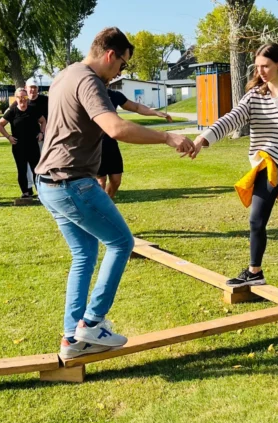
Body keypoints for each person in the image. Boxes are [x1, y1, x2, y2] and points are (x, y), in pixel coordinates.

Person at [36, 27, 196, 359]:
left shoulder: (64, 75)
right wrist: (167, 138)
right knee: (121, 243)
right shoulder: (88, 80)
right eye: (122, 65)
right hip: (71, 182)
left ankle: (72, 338)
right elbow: (115, 127)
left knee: (84, 254)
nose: (120, 73)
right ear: (110, 55)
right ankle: (91, 325)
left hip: (49, 184)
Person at [192, 43, 278, 306]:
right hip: (268, 167)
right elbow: (232, 118)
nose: (261, 71)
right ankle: (254, 273)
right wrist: (203, 139)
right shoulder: (255, 96)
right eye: (257, 67)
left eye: (265, 66)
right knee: (256, 222)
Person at [97, 88, 173, 198]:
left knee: (116, 180)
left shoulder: (115, 95)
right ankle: (101, 208)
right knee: (101, 181)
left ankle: (108, 202)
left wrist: (155, 112)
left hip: (111, 143)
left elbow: (136, 107)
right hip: (95, 145)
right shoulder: (92, 94)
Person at [0, 88, 43, 198]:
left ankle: (41, 192)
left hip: (33, 144)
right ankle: (25, 192)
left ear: (27, 98)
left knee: (36, 169)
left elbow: (43, 121)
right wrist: (8, 137)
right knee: (21, 170)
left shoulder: (33, 109)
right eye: (19, 97)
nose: (22, 99)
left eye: (24, 97)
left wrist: (41, 132)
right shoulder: (12, 111)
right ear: (16, 98)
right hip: (18, 146)